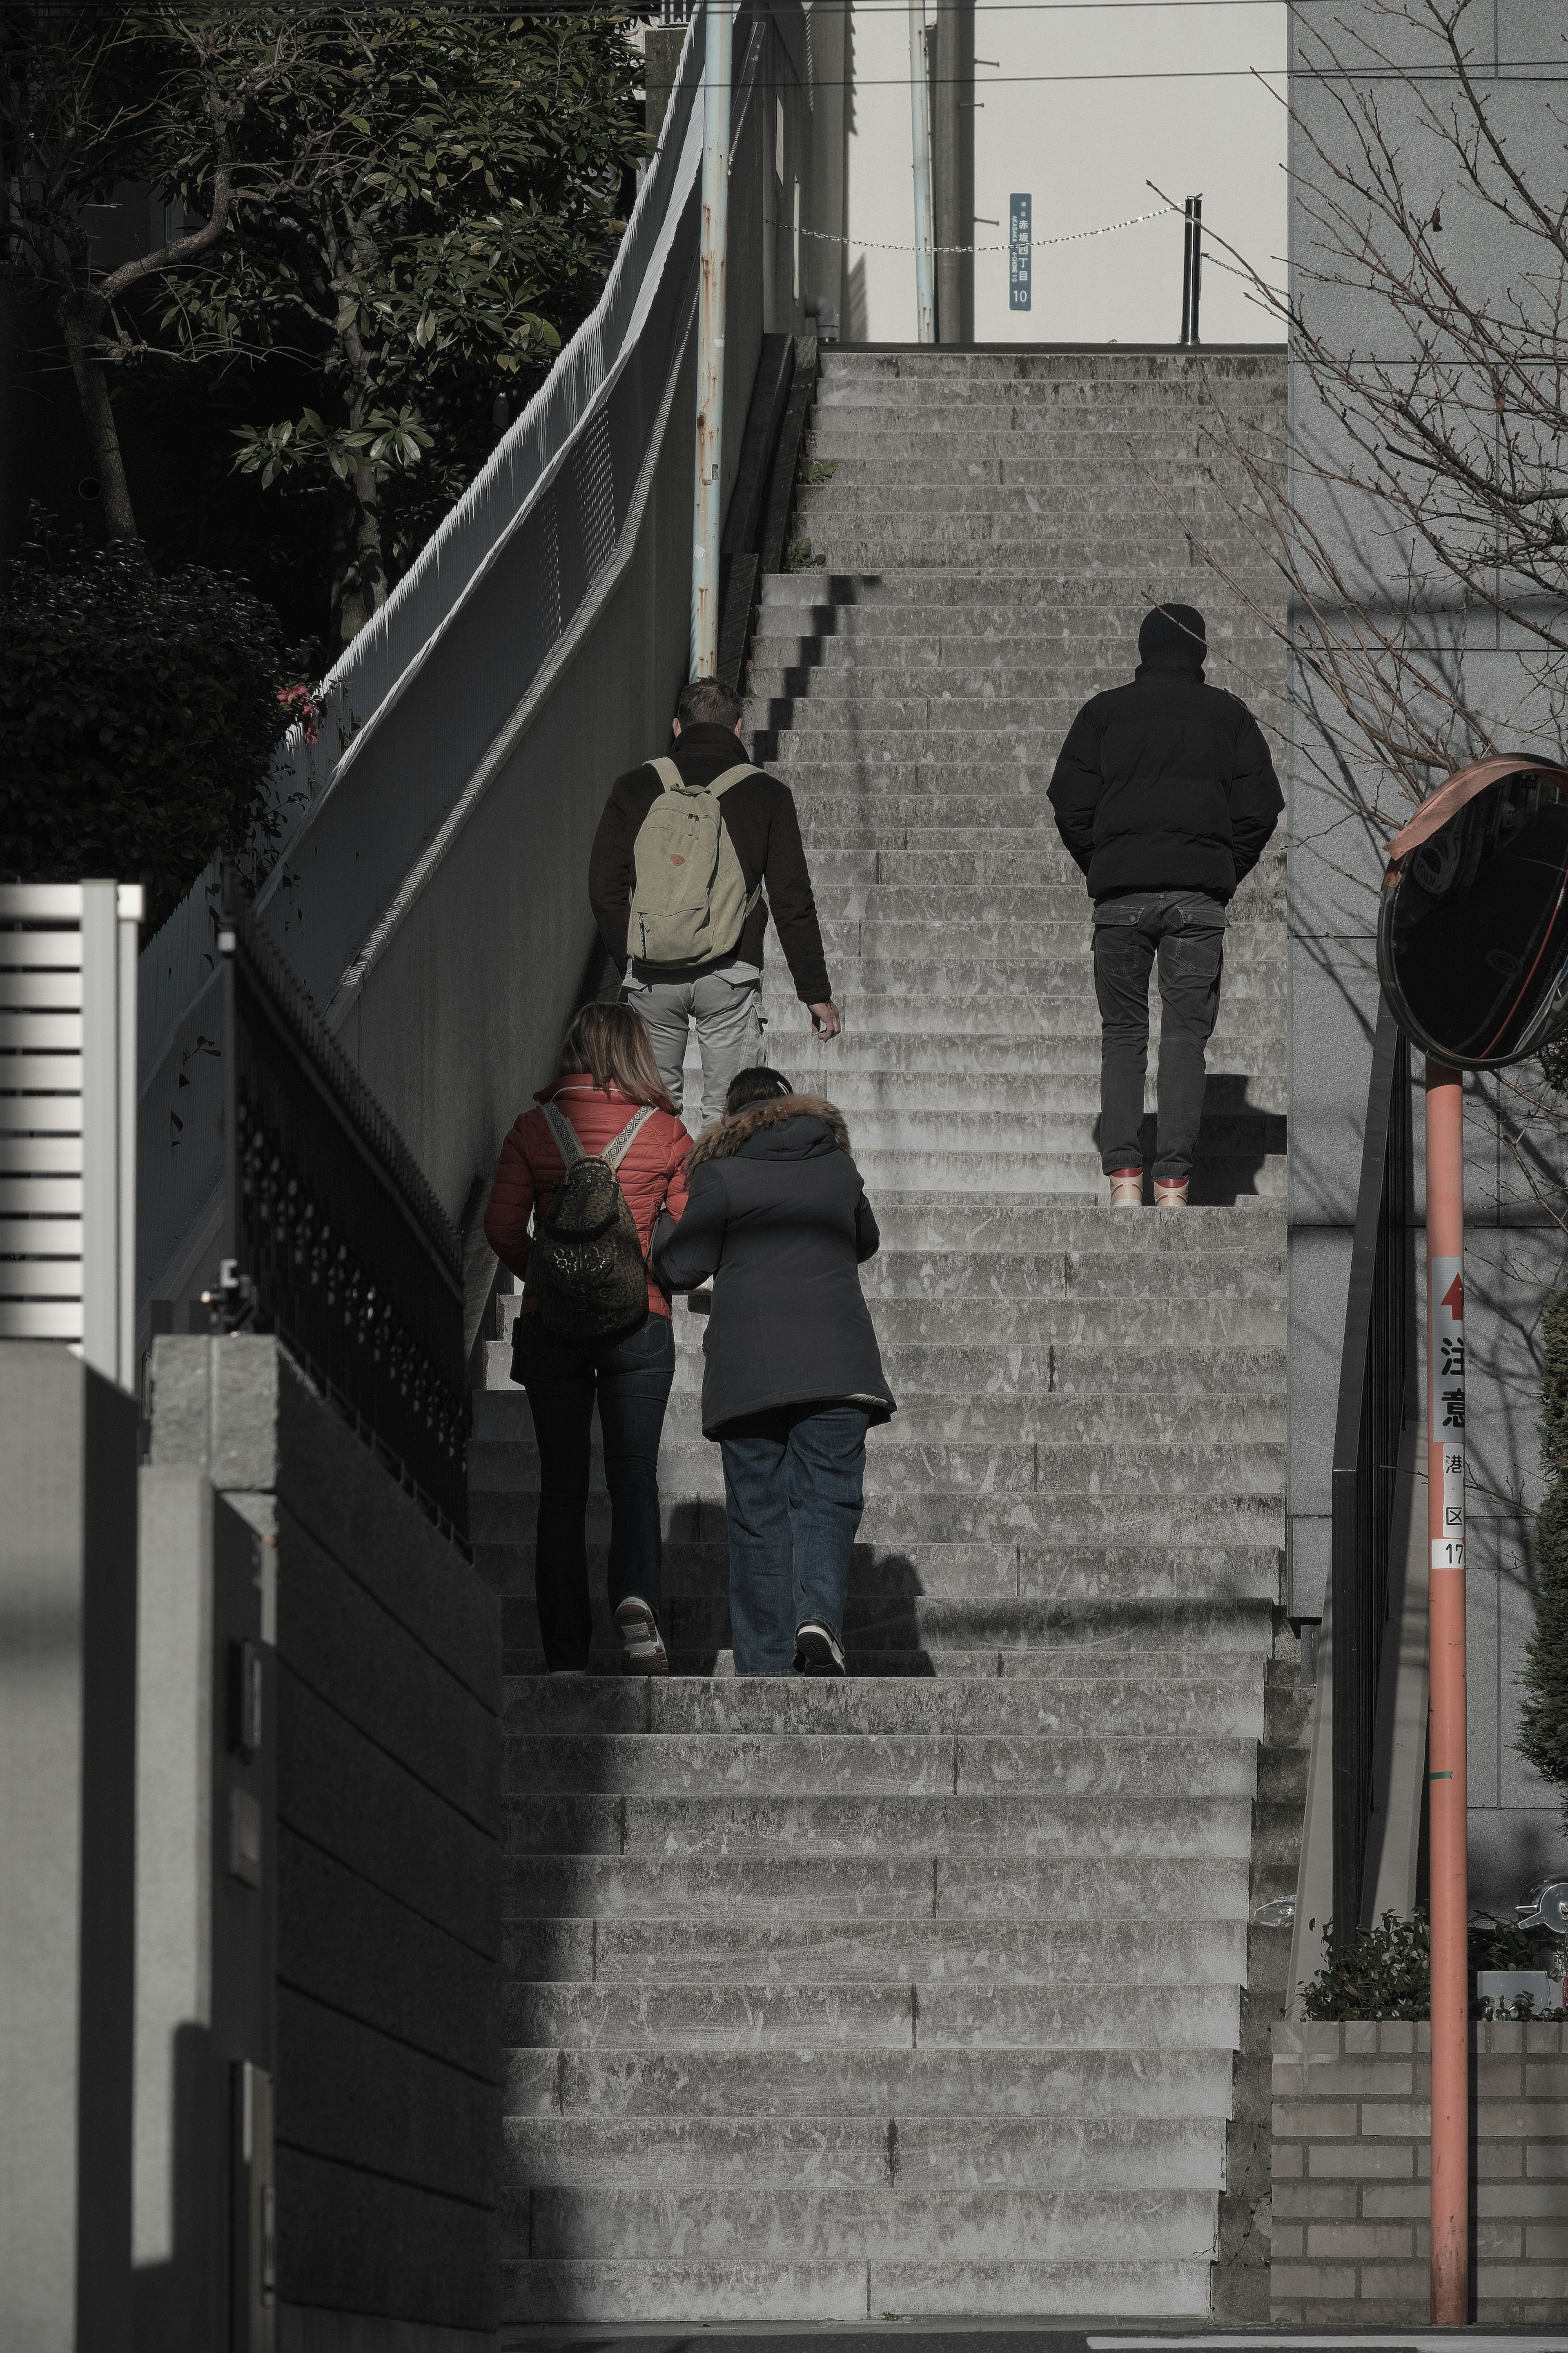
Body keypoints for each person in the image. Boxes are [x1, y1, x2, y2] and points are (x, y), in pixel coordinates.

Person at [653, 1065, 895, 1676]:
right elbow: (865, 1239)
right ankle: (817, 1616)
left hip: (749, 1370)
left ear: (732, 1117)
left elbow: (681, 1268)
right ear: (792, 1108)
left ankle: (764, 1667)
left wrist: (660, 1225)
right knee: (828, 1499)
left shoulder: (720, 1175)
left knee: (757, 1514)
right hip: (839, 1366)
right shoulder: (837, 1167)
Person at [1046, 602, 1283, 1209]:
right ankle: (1174, 1182)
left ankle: (1124, 1179)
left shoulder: (1102, 713)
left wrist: (1105, 861)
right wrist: (1224, 868)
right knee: (1184, 1038)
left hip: (1121, 897)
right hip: (1197, 898)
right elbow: (1262, 806)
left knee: (1122, 1034)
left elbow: (1068, 800)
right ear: (1200, 650)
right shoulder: (1229, 715)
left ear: (1144, 649)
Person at [483, 1003, 692, 1675]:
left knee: (562, 1486)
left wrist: (546, 1279)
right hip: (641, 1323)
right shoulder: (665, 1132)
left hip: (553, 1327)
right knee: (633, 1476)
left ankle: (565, 1651)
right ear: (637, 1052)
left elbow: (500, 1226)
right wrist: (649, 1277)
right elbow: (692, 1232)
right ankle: (635, 1603)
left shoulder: (532, 1128)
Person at [588, 675, 842, 1131]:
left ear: (676, 728)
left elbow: (605, 887)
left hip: (651, 975)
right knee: (729, 1120)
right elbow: (792, 901)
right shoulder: (768, 794)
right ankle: (715, 1196)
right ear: (739, 729)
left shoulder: (633, 787)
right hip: (731, 973)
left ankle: (662, 1201)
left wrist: (632, 958)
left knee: (650, 1118)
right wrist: (815, 992)